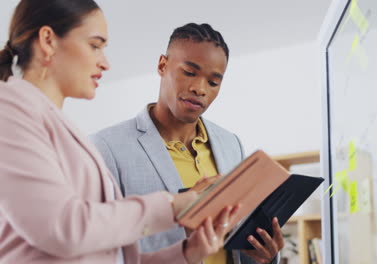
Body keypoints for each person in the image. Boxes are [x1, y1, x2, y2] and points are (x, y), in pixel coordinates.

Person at [0, 1, 239, 263]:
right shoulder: (8, 109)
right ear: (48, 40)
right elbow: (62, 228)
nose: (105, 63)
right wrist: (176, 205)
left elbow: (117, 258)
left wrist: (188, 252)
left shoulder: (63, 129)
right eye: (94, 45)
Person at [91, 23, 284, 264]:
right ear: (163, 65)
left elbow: (236, 236)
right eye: (190, 73)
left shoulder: (230, 143)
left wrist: (265, 255)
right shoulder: (106, 146)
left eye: (213, 82)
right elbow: (98, 241)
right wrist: (184, 223)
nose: (199, 89)